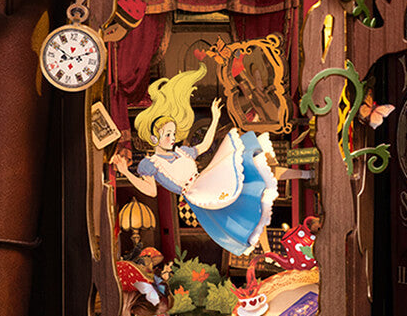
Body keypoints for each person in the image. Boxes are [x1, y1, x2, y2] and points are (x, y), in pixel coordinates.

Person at [111, 64, 280, 257]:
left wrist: (215, 118)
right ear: (154, 138)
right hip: (197, 193)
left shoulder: (181, 152)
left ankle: (262, 218)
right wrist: (125, 172)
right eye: (167, 135)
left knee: (241, 171)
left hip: (206, 179)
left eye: (173, 134)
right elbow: (151, 191)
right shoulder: (152, 164)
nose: (172, 138)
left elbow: (204, 146)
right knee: (232, 215)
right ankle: (261, 243)